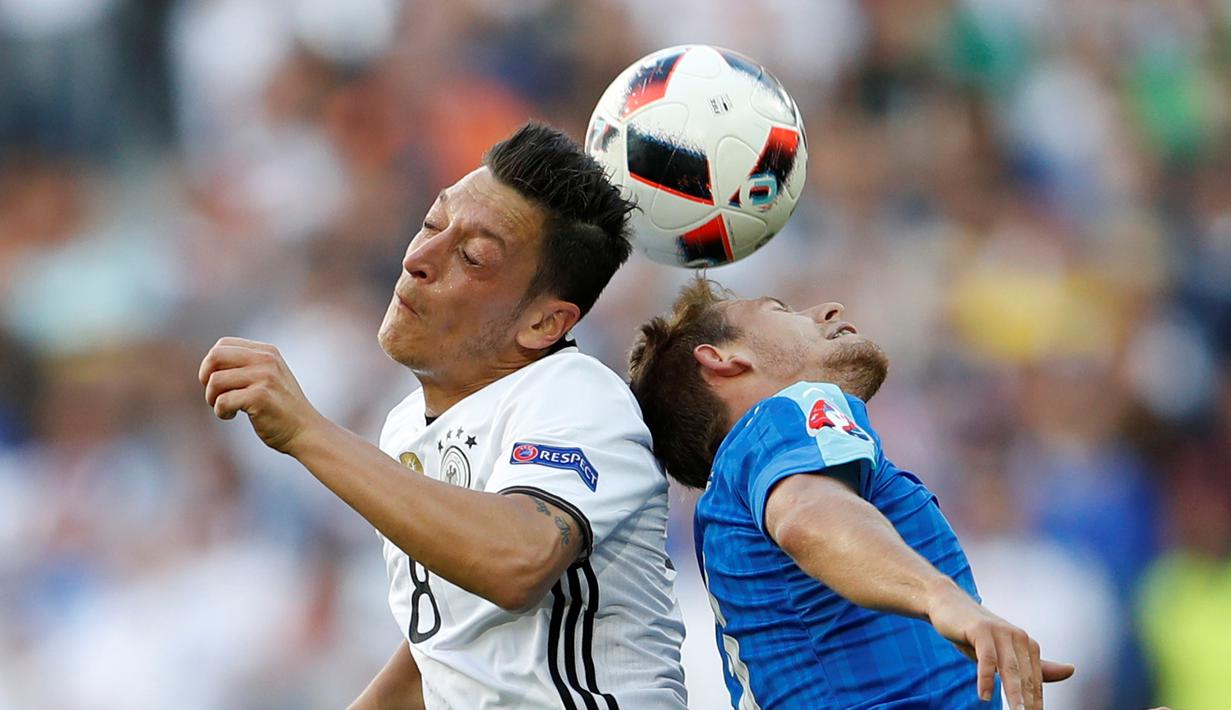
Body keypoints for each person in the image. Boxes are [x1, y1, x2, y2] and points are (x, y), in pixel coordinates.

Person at [199, 123, 687, 709]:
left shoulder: (576, 395)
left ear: (543, 323)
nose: (418, 259)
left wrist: (307, 430)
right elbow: (440, 657)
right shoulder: (407, 425)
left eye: (473, 257)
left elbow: (518, 560)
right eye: (432, 225)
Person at [627, 276, 1075, 710]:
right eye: (780, 310)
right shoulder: (783, 414)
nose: (827, 311)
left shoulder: (745, 476)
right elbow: (805, 514)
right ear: (724, 359)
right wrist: (940, 596)